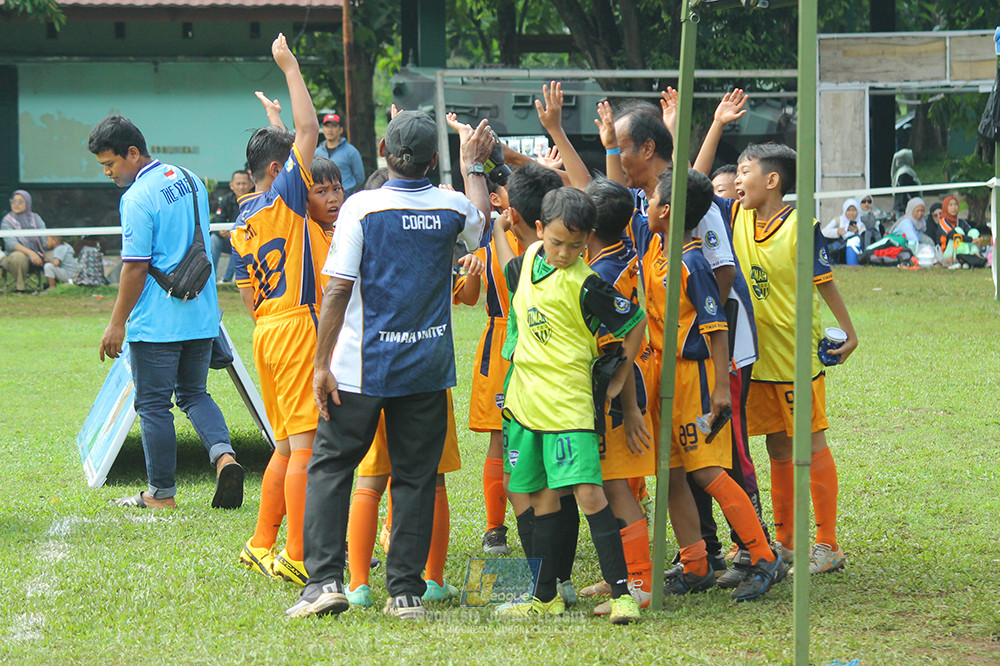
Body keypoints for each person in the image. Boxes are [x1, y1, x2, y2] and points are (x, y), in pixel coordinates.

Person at [286, 110, 494, 620]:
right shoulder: (451, 206)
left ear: (382, 150)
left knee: (332, 468)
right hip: (425, 367)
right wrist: (473, 166)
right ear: (432, 160)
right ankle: (405, 593)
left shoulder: (361, 207)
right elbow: (482, 222)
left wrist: (320, 364)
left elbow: (337, 289)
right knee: (416, 476)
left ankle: (325, 583)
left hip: (361, 368)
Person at [490, 187, 646, 625]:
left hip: (570, 407)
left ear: (588, 240)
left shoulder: (588, 283)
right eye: (557, 242)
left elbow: (635, 323)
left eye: (576, 246)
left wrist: (619, 376)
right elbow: (509, 269)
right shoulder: (528, 262)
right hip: (523, 404)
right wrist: (498, 226)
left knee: (589, 494)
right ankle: (545, 596)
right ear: (539, 231)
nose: (564, 252)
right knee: (539, 497)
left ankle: (622, 594)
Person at [89, 114, 242, 510]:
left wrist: (115, 323)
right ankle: (225, 457)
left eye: (111, 163)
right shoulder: (191, 179)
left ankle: (161, 494)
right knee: (194, 394)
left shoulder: (137, 198)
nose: (107, 173)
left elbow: (135, 266)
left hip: (157, 323)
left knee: (154, 405)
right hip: (202, 314)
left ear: (133, 153)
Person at [647, 168, 785, 601]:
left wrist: (722, 391)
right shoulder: (655, 247)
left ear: (666, 211)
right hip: (661, 376)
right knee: (668, 473)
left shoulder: (691, 263)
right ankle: (695, 563)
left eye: (651, 198)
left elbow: (716, 323)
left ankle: (763, 556)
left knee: (707, 471)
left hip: (695, 379)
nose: (645, 203)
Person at [730, 143, 858, 575]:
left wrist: (849, 331)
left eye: (744, 171)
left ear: (772, 180)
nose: (736, 179)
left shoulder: (803, 225)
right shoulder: (736, 217)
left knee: (811, 442)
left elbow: (825, 282)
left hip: (795, 358)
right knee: (776, 444)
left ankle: (827, 543)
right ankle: (783, 540)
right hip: (754, 358)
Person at [231, 34, 330, 586]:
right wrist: (290, 68)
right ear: (278, 168)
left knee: (286, 443)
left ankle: (261, 540)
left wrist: (273, 115)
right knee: (307, 446)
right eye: (294, 161)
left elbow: (246, 296)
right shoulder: (285, 197)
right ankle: (296, 551)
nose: (308, 170)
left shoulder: (246, 218)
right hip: (295, 326)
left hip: (266, 329)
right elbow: (310, 131)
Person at [580, 176, 655, 613]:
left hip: (620, 387)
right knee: (609, 483)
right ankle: (622, 576)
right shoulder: (623, 249)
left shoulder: (601, 273)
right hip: (624, 384)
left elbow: (620, 343)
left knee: (615, 485)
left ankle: (640, 581)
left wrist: (626, 407)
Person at [211, 169, 253, 284]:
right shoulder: (226, 200)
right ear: (231, 185)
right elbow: (217, 222)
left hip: (249, 241)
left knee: (238, 240)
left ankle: (226, 281)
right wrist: (220, 232)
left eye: (244, 183)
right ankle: (209, 279)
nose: (241, 187)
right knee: (214, 240)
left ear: (251, 184)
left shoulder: (256, 199)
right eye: (238, 184)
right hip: (228, 240)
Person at [2, 190, 47, 293]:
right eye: (14, 201)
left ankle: (54, 286)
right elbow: (11, 243)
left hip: (37, 255)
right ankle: (20, 289)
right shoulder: (7, 221)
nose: (16, 204)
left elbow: (43, 238)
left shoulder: (36, 218)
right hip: (12, 259)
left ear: (28, 203)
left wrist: (44, 252)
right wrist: (31, 253)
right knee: (18, 256)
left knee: (56, 254)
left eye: (20, 201)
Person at [315, 112, 365, 196]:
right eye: (327, 126)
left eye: (333, 126)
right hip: (324, 198)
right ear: (323, 129)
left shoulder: (351, 151)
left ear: (341, 130)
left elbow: (360, 178)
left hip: (345, 197)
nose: (330, 130)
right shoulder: (317, 152)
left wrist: (348, 189)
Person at [821, 198, 867, 263]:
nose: (851, 213)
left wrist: (857, 232)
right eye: (848, 210)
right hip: (837, 252)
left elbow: (865, 240)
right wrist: (837, 232)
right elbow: (824, 232)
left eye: (854, 210)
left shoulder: (861, 224)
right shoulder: (838, 220)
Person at [890, 149, 921, 218]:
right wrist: (903, 209)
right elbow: (903, 193)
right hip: (905, 210)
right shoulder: (905, 173)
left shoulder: (906, 171)